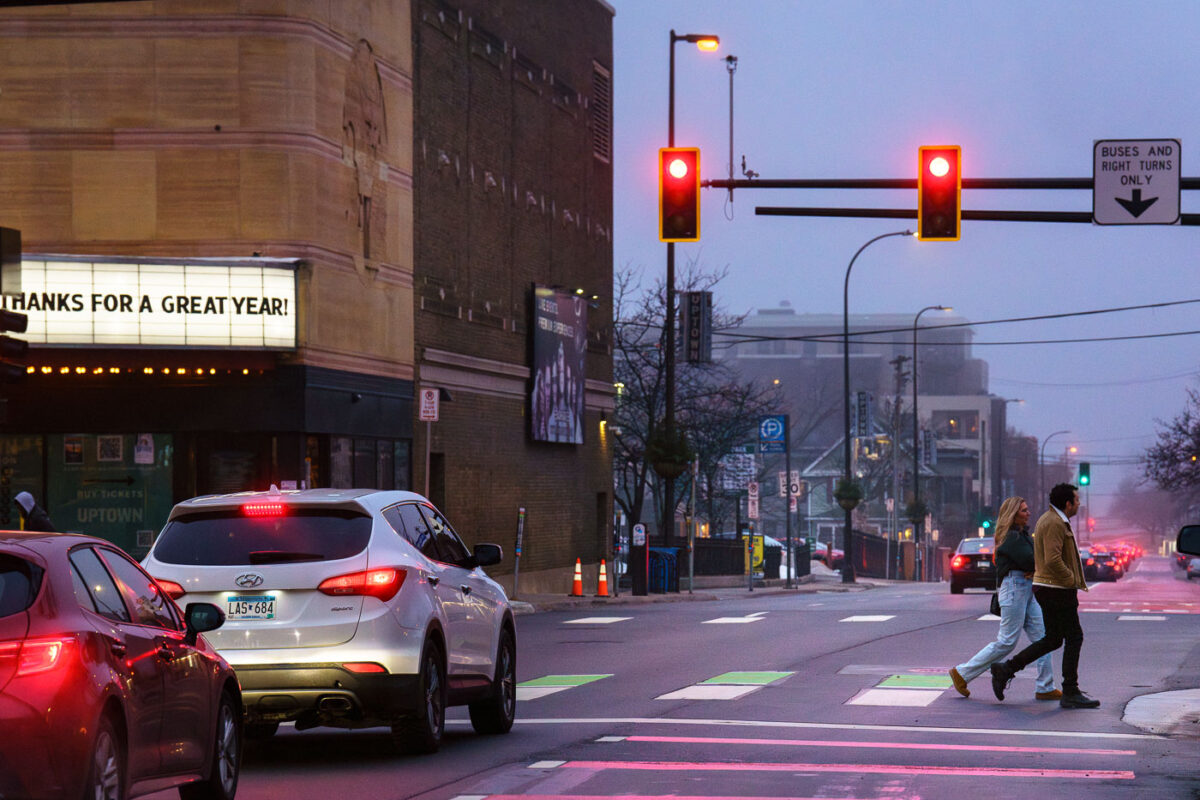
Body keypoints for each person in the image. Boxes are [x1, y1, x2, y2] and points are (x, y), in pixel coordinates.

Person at [990, 483, 1099, 708]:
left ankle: (1006, 669)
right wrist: (1070, 579)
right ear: (1067, 503)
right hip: (1056, 589)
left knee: (1052, 639)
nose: (1079, 504)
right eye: (1077, 500)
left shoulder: (1055, 521)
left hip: (1053, 588)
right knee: (1073, 637)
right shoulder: (1053, 523)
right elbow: (1051, 559)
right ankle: (1070, 690)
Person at [948, 496, 1060, 700]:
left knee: (1043, 638)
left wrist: (1034, 566)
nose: (1029, 513)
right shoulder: (1011, 538)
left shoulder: (1021, 535)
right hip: (1015, 588)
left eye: (1027, 509)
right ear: (1014, 515)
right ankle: (962, 673)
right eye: (1024, 510)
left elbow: (1034, 559)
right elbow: (1031, 559)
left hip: (1025, 588)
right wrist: (1034, 565)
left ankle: (1045, 686)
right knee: (1007, 642)